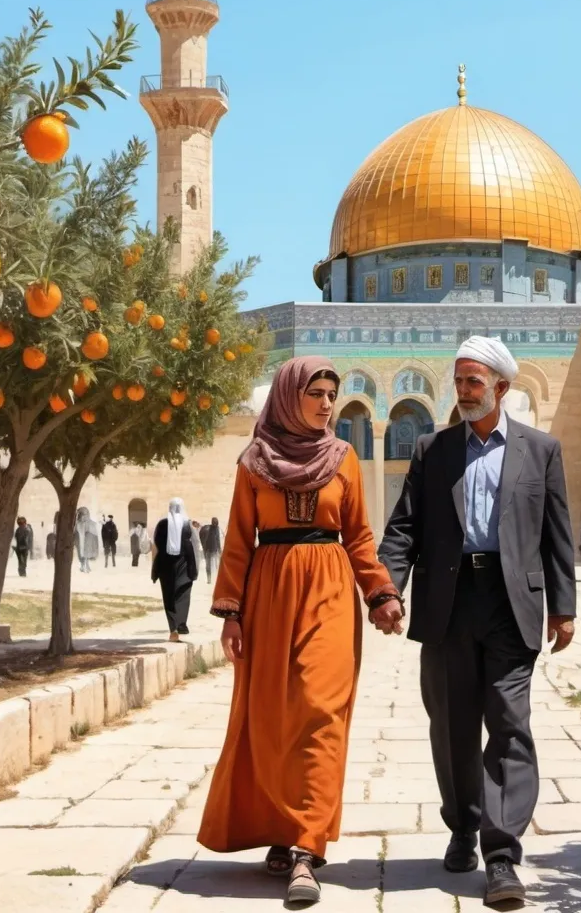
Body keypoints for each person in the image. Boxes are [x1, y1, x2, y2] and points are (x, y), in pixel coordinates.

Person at [198, 357, 403, 907]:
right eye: (316, 392)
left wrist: (380, 593)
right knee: (271, 716)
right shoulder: (254, 462)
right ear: (291, 396)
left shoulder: (345, 459)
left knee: (319, 709)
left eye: (332, 394)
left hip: (330, 593)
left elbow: (359, 535)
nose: (327, 403)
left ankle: (307, 851)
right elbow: (240, 539)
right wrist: (231, 613)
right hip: (268, 595)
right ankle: (281, 830)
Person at [378, 335, 576, 907]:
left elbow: (557, 536)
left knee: (510, 726)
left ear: (502, 389)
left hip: (511, 603)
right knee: (452, 728)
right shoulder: (432, 451)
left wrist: (563, 607)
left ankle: (502, 854)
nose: (463, 392)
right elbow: (403, 529)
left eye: (474, 382)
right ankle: (463, 825)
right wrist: (387, 589)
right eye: (459, 380)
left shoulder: (542, 450)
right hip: (448, 601)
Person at [152, 499, 197, 641]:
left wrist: (155, 567)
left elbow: (157, 544)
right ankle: (181, 622)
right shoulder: (186, 524)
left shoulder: (162, 524)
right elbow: (191, 545)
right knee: (183, 593)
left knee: (169, 595)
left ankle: (173, 628)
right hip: (184, 564)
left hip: (166, 565)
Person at [74, 508, 99, 573]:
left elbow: (92, 533)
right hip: (80, 542)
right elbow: (76, 532)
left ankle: (86, 566)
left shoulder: (90, 523)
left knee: (85, 554)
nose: (84, 517)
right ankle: (83, 566)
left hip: (84, 542)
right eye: (82, 515)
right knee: (81, 554)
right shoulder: (78, 524)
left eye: (85, 515)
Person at [201, 516, 221, 584]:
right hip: (210, 550)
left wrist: (219, 550)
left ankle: (212, 579)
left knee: (212, 565)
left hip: (211, 550)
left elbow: (217, 540)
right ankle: (210, 579)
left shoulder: (212, 528)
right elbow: (217, 540)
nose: (215, 524)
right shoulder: (211, 529)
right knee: (211, 566)